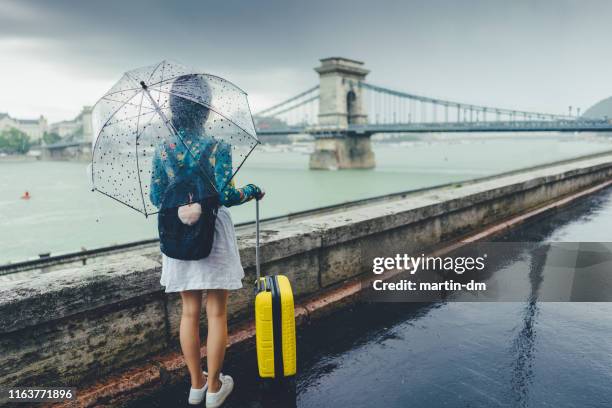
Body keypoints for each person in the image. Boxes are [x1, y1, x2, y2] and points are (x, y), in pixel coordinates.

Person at [149, 74, 263, 407]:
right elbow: (226, 195)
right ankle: (215, 387)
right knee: (216, 313)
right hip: (212, 231)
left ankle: (195, 384)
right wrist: (251, 190)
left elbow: (158, 197)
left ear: (173, 108)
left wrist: (183, 198)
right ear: (206, 109)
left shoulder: (163, 149)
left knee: (188, 312)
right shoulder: (218, 147)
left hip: (178, 235)